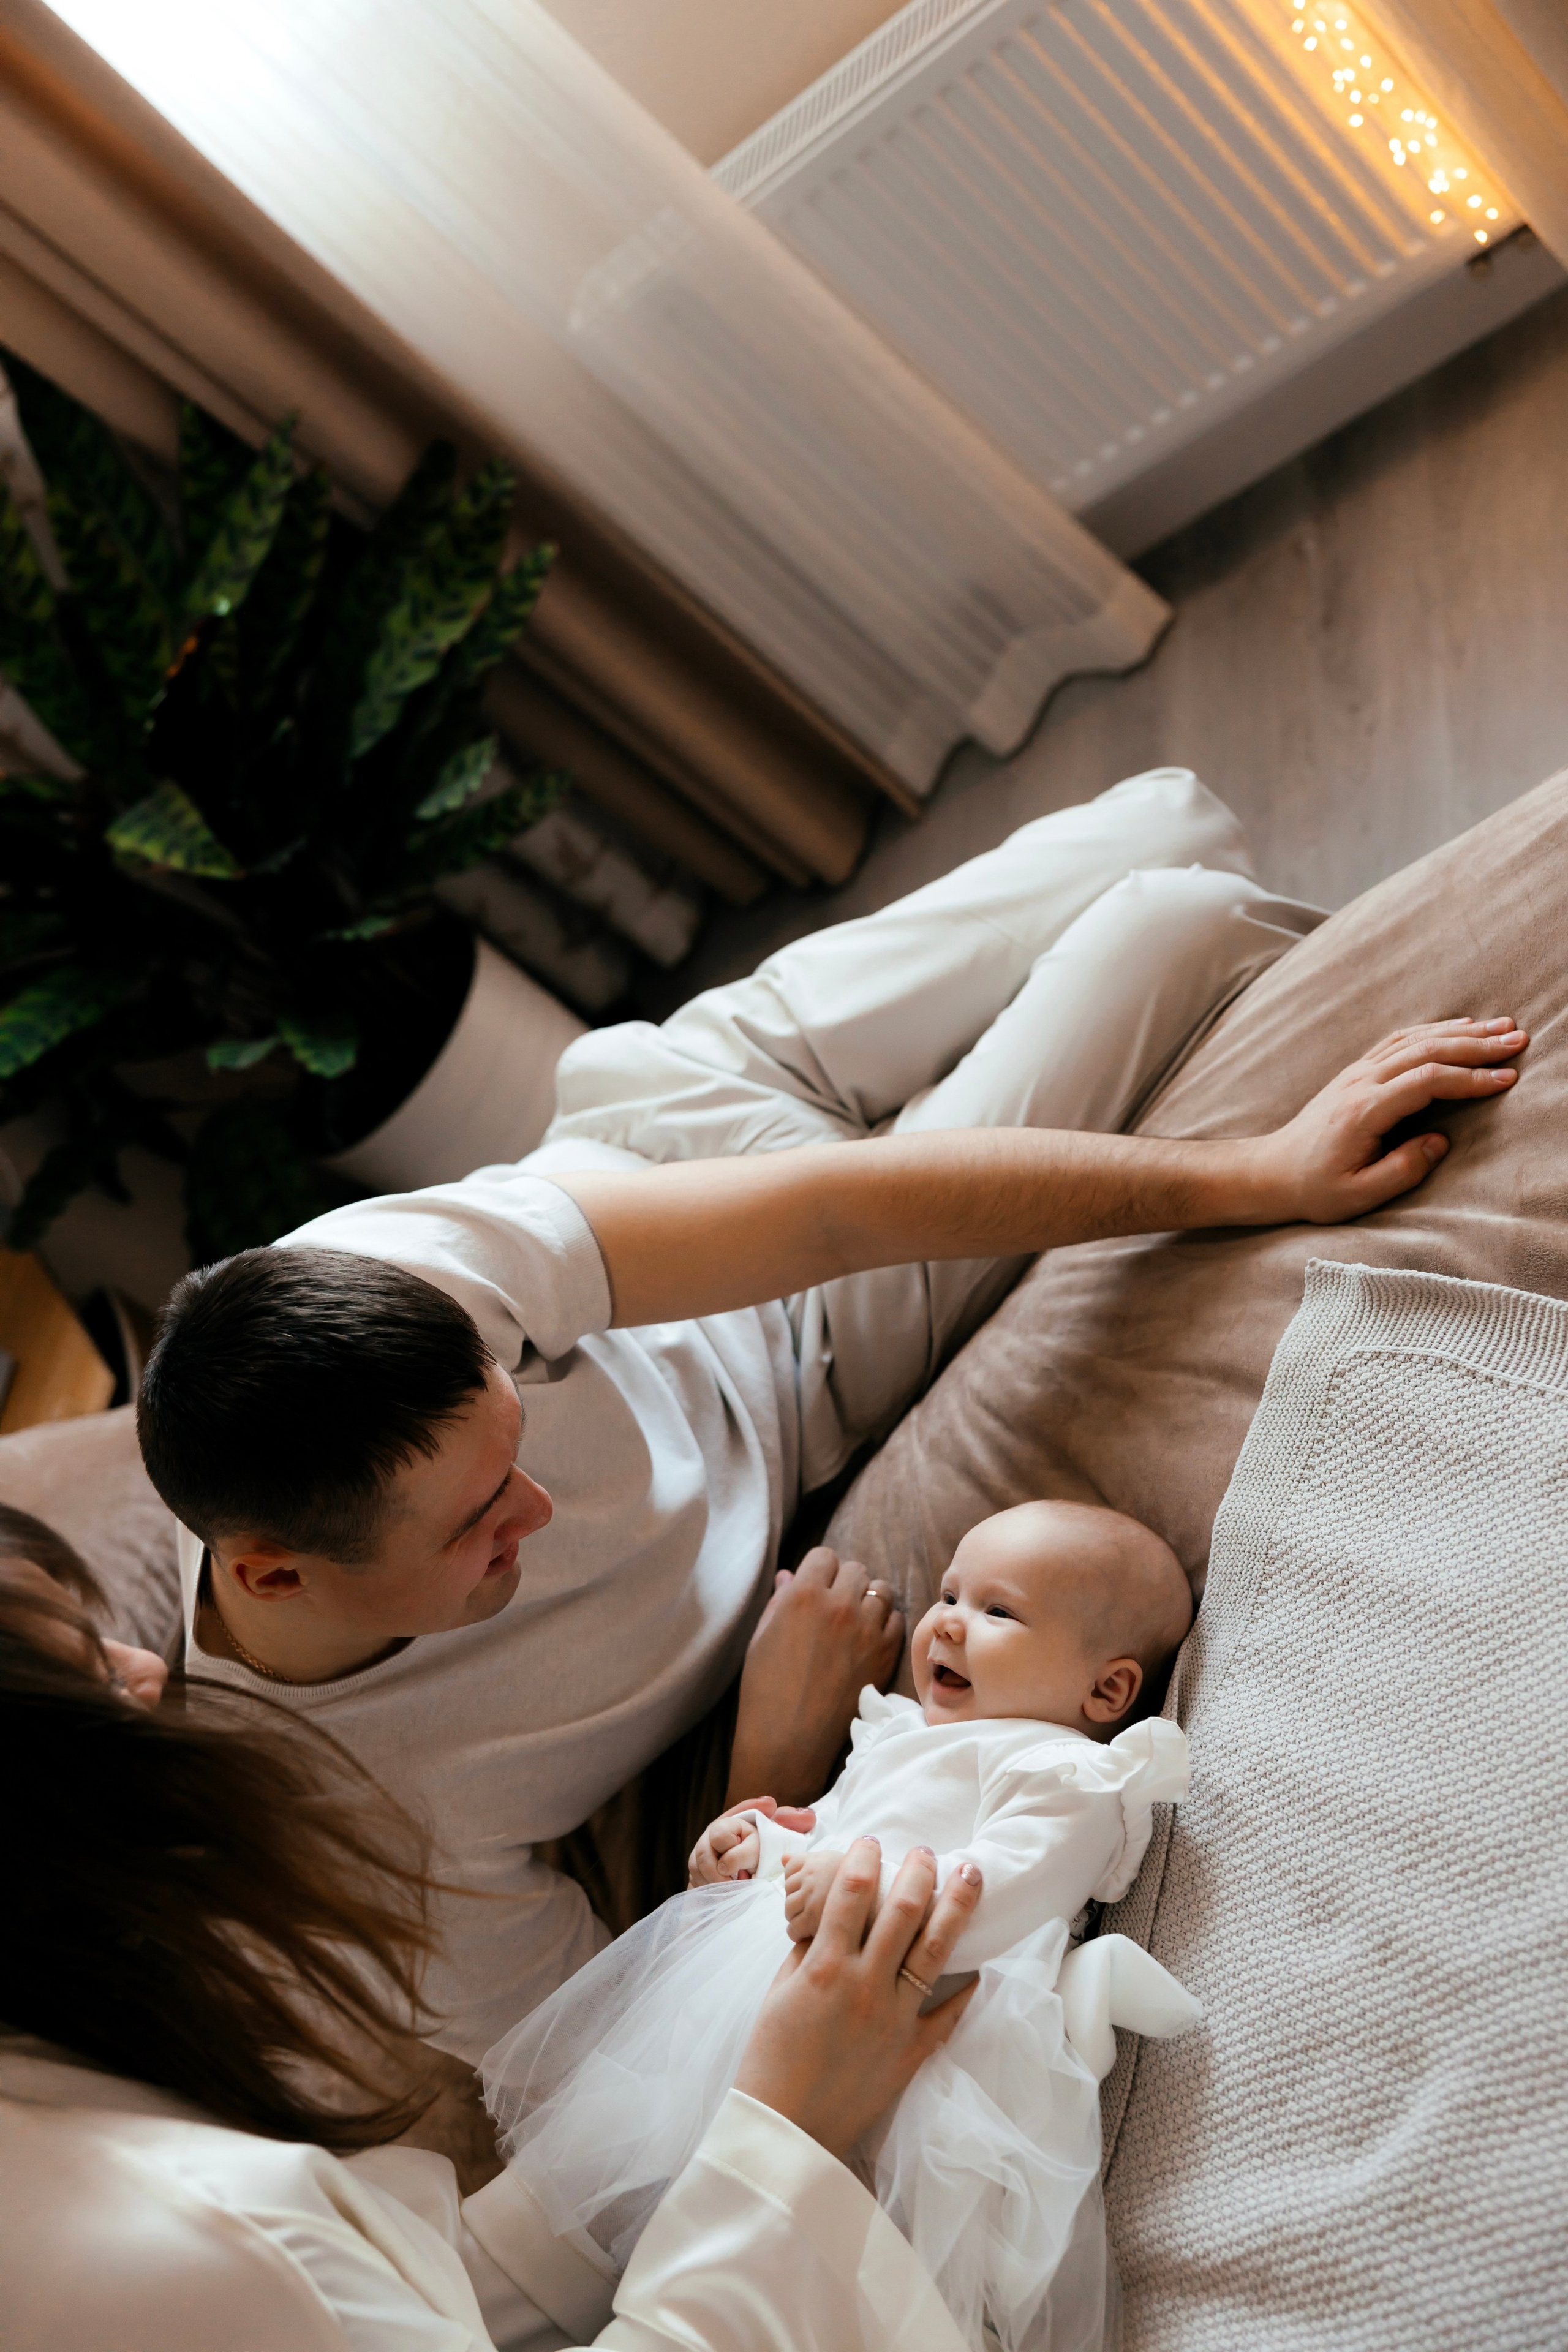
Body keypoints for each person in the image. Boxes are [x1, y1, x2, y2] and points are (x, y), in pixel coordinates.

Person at [132, 769, 1529, 2059]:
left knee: (1175, 817)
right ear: (273, 1573)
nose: (538, 1508)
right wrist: (769, 1764)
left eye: (512, 1439)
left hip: (677, 1137)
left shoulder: (370, 1290)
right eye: (481, 1525)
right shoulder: (370, 1835)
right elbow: (637, 2038)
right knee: (1185, 922)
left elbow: (828, 1210)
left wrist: (1250, 1177)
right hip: (809, 1343)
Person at [0, 1548, 988, 2352]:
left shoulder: (72, 2086)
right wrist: (781, 2127)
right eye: (92, 1665)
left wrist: (711, 1964)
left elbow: (409, 2293)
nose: (146, 1667)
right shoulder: (177, 2247)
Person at [486, 1502, 1203, 2352]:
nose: (945, 1623)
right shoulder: (896, 1735)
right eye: (947, 1594)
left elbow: (1006, 1887)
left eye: (996, 1610)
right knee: (658, 2169)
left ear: (1108, 1688)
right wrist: (752, 1848)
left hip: (922, 2035)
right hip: (759, 2004)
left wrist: (869, 1887)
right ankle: (592, 2285)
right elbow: (826, 1823)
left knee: (842, 2231)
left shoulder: (1068, 1775)